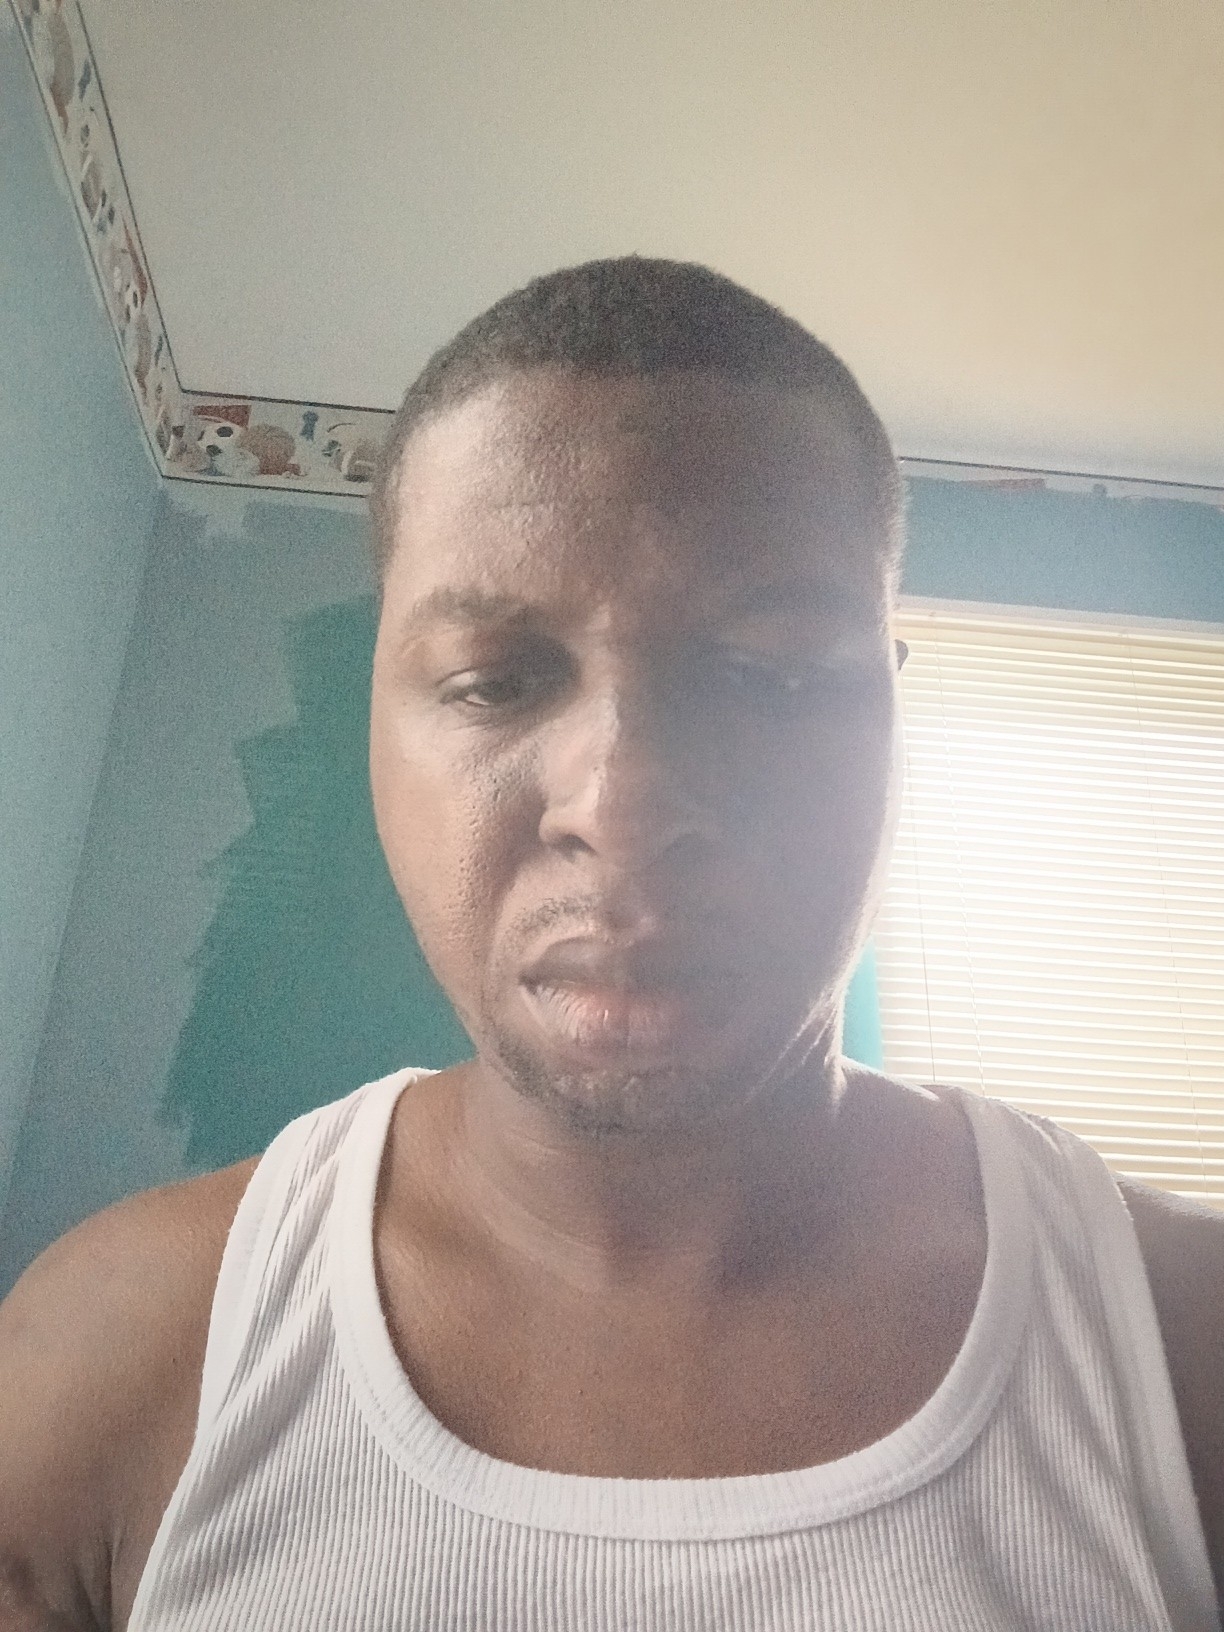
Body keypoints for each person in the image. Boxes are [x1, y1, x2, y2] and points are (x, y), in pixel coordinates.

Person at [1, 257, 1220, 1632]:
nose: (623, 807)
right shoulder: (112, 1356)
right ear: (374, 724)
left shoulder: (1183, 1348)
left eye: (772, 675)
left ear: (891, 716)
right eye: (496, 682)